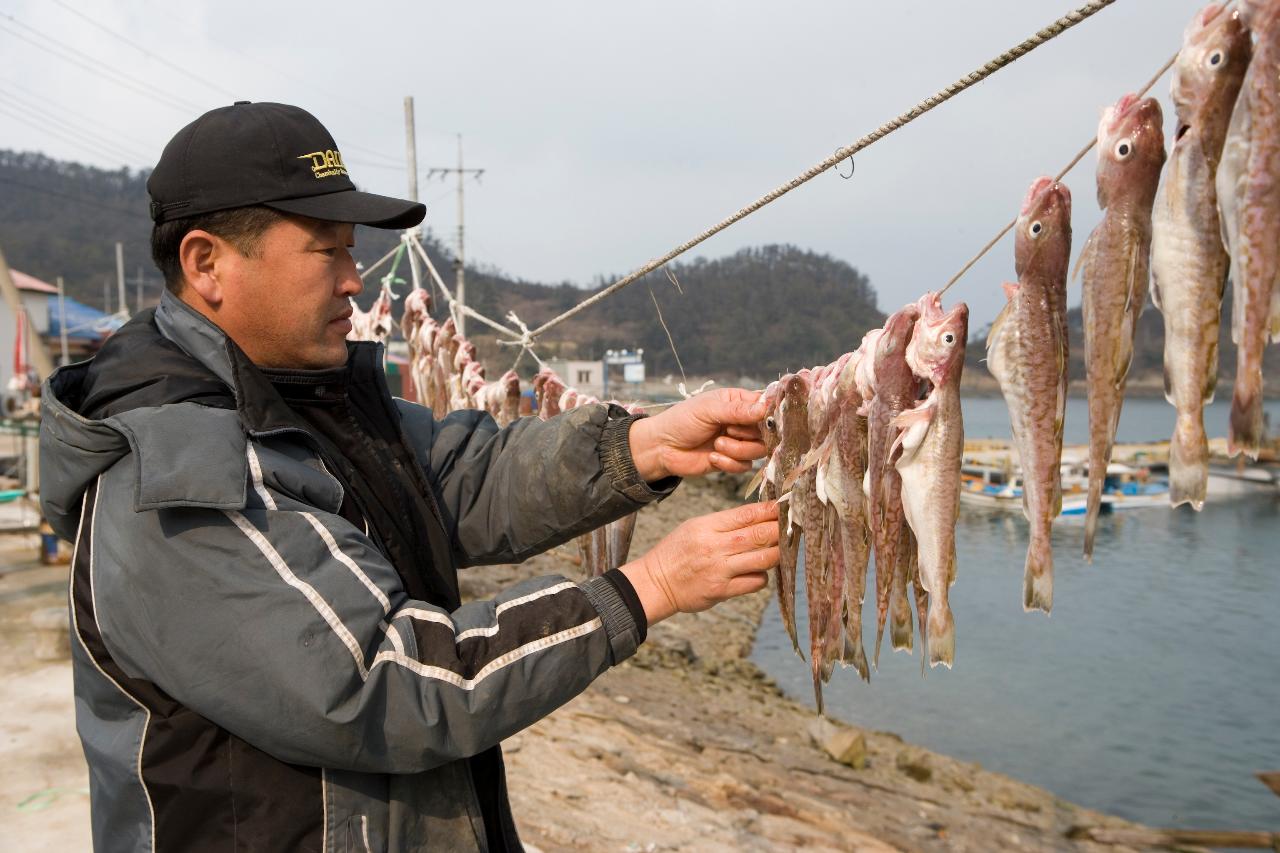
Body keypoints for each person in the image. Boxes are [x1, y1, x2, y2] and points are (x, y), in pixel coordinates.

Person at [39, 102, 780, 852]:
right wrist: (647, 588)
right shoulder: (171, 477)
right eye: (326, 251)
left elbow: (470, 474)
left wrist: (645, 445)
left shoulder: (312, 399)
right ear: (207, 264)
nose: (355, 280)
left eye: (352, 250)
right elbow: (379, 684)